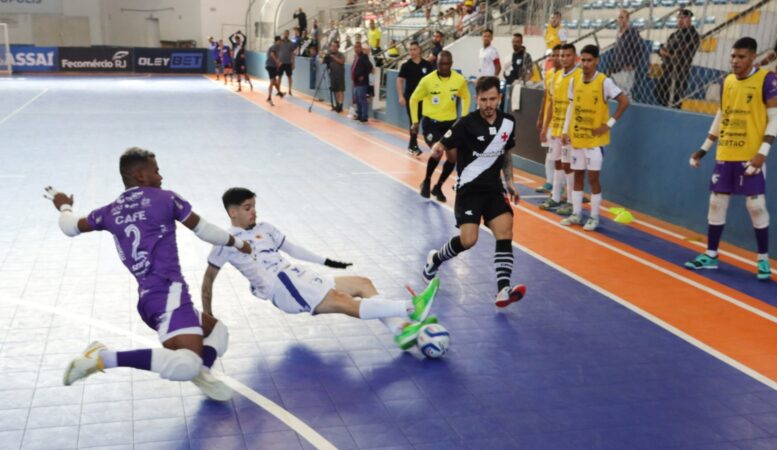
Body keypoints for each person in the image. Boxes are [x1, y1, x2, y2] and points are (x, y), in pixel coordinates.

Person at [45, 148, 253, 401]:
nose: (160, 176)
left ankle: (202, 372)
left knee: (218, 332)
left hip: (150, 299)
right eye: (156, 171)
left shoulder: (110, 211)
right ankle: (102, 358)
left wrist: (64, 205)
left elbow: (69, 226)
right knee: (186, 364)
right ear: (141, 175)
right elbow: (205, 230)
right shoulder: (166, 199)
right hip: (169, 294)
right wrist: (239, 243)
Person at [202, 188, 440, 350]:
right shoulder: (226, 241)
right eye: (247, 208)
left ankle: (400, 329)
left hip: (295, 275)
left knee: (362, 283)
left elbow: (293, 249)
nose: (254, 211)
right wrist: (209, 318)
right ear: (232, 212)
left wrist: (326, 262)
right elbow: (208, 281)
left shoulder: (265, 227)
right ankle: (410, 307)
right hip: (280, 287)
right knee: (344, 302)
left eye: (254, 206)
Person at [422, 76, 526, 307]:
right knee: (468, 240)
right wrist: (437, 149)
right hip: (469, 190)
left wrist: (509, 181)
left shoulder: (508, 122)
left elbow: (506, 152)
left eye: (493, 99)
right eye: (484, 100)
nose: (488, 105)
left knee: (505, 230)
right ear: (476, 99)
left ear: (499, 98)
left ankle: (503, 289)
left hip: (493, 189)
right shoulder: (466, 123)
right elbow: (443, 144)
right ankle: (435, 259)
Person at [686, 37, 777, 280]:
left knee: (756, 206)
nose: (735, 61)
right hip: (726, 152)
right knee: (716, 203)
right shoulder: (727, 81)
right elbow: (722, 115)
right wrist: (704, 148)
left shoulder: (766, 79)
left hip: (750, 155)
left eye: (741, 57)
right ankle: (711, 255)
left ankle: (763, 260)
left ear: (752, 57)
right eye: (733, 56)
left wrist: (762, 152)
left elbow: (776, 117)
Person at [559, 45, 630, 231]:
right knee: (577, 176)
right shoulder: (574, 81)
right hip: (577, 137)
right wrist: (565, 130)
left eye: (589, 60)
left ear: (597, 61)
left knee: (593, 178)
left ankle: (594, 216)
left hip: (594, 142)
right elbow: (571, 106)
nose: (585, 64)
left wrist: (608, 125)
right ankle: (576, 213)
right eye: (583, 60)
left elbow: (624, 101)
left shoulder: (604, 81)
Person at [410, 51, 471, 202]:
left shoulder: (459, 80)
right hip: (431, 123)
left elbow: (466, 96)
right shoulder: (427, 81)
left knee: (453, 157)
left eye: (447, 64)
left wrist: (463, 117)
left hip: (450, 124)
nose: (444, 67)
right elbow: (413, 99)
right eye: (441, 64)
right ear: (436, 63)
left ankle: (438, 187)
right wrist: (415, 121)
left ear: (451, 64)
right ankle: (426, 181)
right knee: (438, 151)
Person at [540, 43, 580, 215]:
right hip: (555, 128)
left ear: (575, 57)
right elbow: (551, 103)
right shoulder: (555, 76)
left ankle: (571, 201)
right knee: (556, 162)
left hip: (569, 130)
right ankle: (556, 197)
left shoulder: (578, 76)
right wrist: (545, 127)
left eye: (567, 55)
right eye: (561, 55)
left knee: (568, 165)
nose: (563, 58)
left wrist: (569, 129)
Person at [655, 8, 700, 108]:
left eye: (683, 18)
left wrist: (666, 53)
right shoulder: (674, 34)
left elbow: (681, 54)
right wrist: (665, 52)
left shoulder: (693, 35)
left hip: (680, 71)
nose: (680, 20)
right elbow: (663, 48)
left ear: (689, 19)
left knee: (676, 99)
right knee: (659, 92)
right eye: (679, 18)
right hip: (667, 69)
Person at [398, 41, 435, 155]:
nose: (412, 52)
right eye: (410, 50)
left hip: (425, 99)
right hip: (411, 99)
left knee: (427, 121)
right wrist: (401, 96)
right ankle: (413, 145)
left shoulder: (427, 65)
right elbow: (399, 81)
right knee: (414, 121)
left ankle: (425, 142)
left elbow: (432, 80)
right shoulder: (405, 65)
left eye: (414, 49)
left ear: (419, 50)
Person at [536, 45, 563, 194]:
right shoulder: (549, 74)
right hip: (549, 119)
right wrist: (541, 117)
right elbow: (546, 96)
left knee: (562, 155)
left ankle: (561, 187)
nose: (556, 58)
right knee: (550, 151)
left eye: (559, 55)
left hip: (562, 121)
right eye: (553, 55)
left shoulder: (569, 76)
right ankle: (549, 182)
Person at [610, 9, 645, 97]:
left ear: (627, 19)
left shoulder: (632, 32)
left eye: (622, 17)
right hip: (617, 67)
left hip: (626, 67)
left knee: (625, 93)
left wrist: (632, 64)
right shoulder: (619, 32)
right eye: (619, 17)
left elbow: (640, 48)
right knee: (617, 92)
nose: (620, 20)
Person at [352, 41, 373, 123]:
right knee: (357, 99)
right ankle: (359, 115)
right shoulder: (356, 57)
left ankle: (364, 116)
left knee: (362, 99)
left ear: (361, 48)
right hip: (356, 82)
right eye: (355, 47)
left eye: (358, 47)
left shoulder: (364, 56)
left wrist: (363, 75)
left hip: (362, 83)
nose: (356, 49)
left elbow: (370, 67)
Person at [326, 40, 346, 112]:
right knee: (335, 91)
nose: (333, 47)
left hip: (339, 75)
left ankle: (341, 105)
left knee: (340, 91)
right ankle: (337, 105)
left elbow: (342, 61)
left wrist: (334, 57)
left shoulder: (341, 54)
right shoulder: (330, 55)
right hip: (332, 75)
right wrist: (324, 57)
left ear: (338, 47)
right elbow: (323, 62)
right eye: (332, 46)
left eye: (334, 46)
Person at [265, 36, 283, 106]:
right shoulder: (274, 46)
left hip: (272, 66)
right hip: (270, 66)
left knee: (274, 81)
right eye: (279, 41)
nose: (280, 42)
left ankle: (279, 93)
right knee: (272, 81)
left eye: (281, 41)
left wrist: (277, 64)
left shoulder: (277, 48)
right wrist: (277, 62)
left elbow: (275, 56)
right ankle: (269, 98)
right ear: (276, 41)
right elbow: (272, 55)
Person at [278, 30, 296, 96]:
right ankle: (278, 90)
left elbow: (293, 53)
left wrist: (293, 63)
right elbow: (276, 51)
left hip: (288, 63)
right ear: (283, 34)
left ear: (288, 34)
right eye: (285, 33)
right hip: (281, 62)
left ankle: (290, 90)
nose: (286, 34)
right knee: (279, 76)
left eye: (287, 33)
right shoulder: (280, 42)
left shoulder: (291, 43)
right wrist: (277, 61)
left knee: (289, 77)